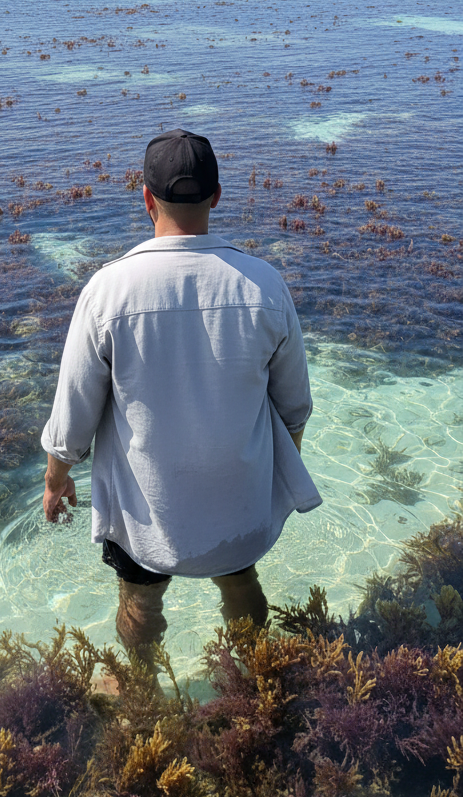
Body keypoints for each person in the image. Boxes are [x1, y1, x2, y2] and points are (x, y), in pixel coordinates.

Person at [42, 129, 320, 661]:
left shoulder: (107, 291)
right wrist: (269, 479)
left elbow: (73, 414)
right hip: (240, 512)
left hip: (148, 522)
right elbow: (294, 407)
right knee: (241, 587)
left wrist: (56, 481)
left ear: (146, 199)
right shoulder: (265, 285)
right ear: (217, 195)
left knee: (139, 603)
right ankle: (255, 683)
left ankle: (141, 695)